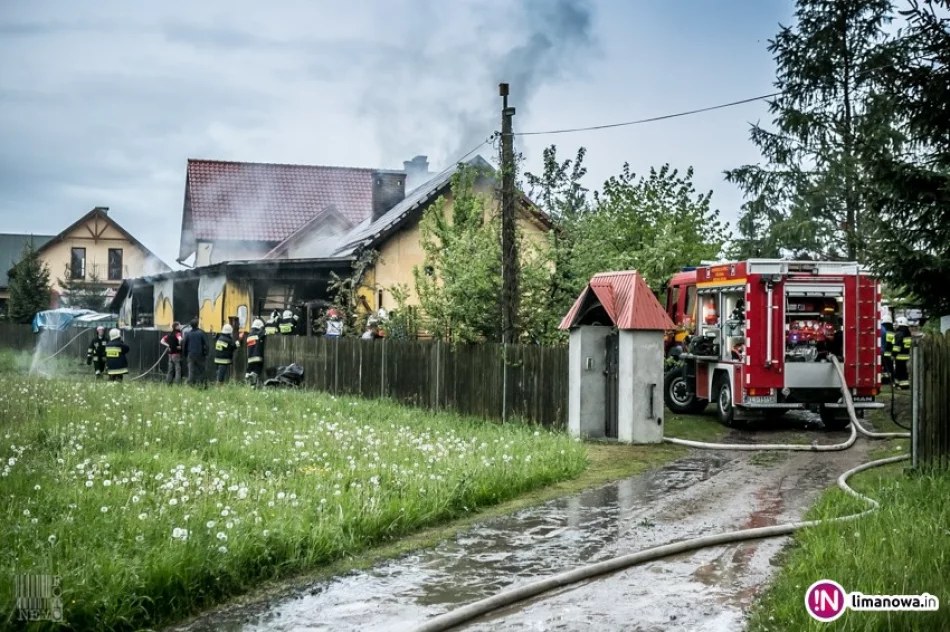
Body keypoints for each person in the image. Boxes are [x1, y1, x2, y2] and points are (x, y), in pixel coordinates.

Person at [182, 318, 209, 387]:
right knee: (202, 370)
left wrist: (185, 354)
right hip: (200, 355)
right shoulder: (201, 333)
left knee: (191, 370)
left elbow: (184, 344)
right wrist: (206, 353)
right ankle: (203, 385)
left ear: (191, 325)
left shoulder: (188, 334)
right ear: (197, 324)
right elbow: (207, 344)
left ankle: (191, 385)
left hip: (191, 355)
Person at [892, 316, 913, 390]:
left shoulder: (899, 334)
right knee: (903, 371)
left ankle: (901, 385)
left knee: (899, 371)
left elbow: (896, 346)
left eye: (897, 324)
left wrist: (893, 354)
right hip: (906, 356)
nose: (896, 326)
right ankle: (901, 384)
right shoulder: (908, 334)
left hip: (899, 356)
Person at [244, 318, 266, 385]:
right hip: (257, 357)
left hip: (250, 358)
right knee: (257, 370)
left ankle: (248, 374)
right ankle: (253, 374)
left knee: (250, 368)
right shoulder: (258, 334)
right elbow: (263, 333)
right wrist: (262, 327)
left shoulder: (249, 336)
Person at [880, 320, 895, 384]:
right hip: (887, 353)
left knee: (881, 368)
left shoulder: (881, 329)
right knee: (888, 368)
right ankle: (889, 380)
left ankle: (883, 380)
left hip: (881, 352)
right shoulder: (890, 332)